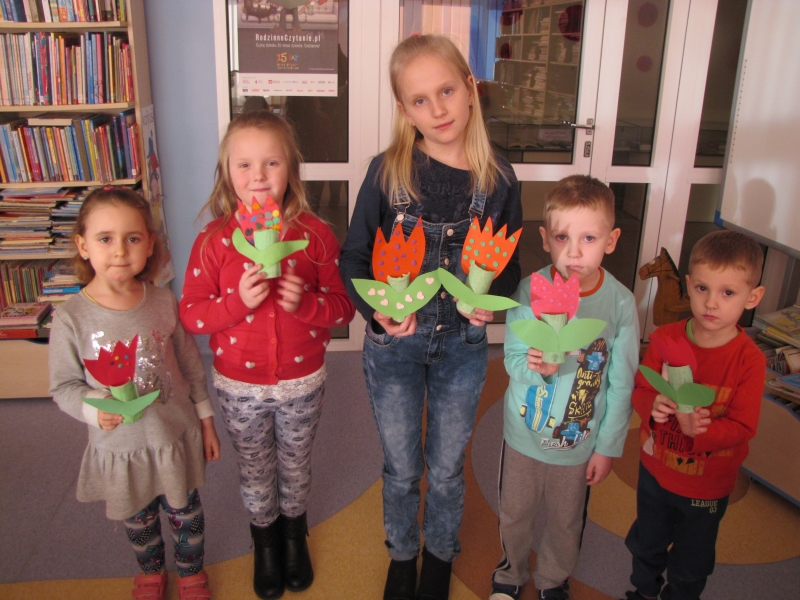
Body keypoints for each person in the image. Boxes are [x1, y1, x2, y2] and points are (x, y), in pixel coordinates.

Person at [339, 34, 522, 600]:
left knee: (446, 468)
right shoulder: (387, 172)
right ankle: (403, 555)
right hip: (395, 350)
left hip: (462, 350)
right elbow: (354, 258)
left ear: (470, 88)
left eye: (446, 91)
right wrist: (375, 313)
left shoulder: (498, 178)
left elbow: (509, 268)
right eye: (420, 100)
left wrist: (487, 303)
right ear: (404, 110)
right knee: (402, 467)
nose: (437, 109)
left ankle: (440, 555)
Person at [180, 110, 354, 600]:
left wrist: (309, 303)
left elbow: (345, 308)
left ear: (291, 169)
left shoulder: (314, 235)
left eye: (271, 163)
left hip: (302, 382)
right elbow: (192, 315)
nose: (258, 176)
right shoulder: (214, 242)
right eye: (244, 165)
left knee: (295, 465)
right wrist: (236, 302)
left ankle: (294, 536)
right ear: (227, 172)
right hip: (239, 387)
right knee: (255, 470)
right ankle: (265, 543)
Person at [49, 187, 220, 600]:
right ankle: (151, 572)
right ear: (83, 246)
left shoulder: (162, 301)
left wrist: (206, 420)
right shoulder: (71, 317)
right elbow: (64, 386)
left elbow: (191, 365)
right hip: (122, 447)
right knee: (139, 520)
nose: (120, 251)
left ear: (150, 244)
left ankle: (191, 573)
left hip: (172, 436)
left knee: (186, 514)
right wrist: (94, 411)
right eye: (105, 238)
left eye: (132, 238)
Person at [490, 175, 640, 600]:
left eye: (589, 238)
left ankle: (553, 578)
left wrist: (608, 446)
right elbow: (512, 359)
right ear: (545, 238)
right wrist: (538, 368)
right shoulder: (529, 291)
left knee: (566, 520)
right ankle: (511, 572)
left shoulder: (620, 303)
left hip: (578, 442)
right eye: (562, 237)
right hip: (524, 436)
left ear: (611, 241)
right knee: (514, 513)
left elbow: (622, 382)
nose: (574, 252)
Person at [621, 230, 766, 600]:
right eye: (702, 288)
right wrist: (652, 405)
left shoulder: (749, 360)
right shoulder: (666, 337)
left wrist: (701, 430)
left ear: (752, 297)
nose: (711, 303)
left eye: (728, 293)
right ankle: (643, 591)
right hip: (655, 473)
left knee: (691, 563)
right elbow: (641, 389)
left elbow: (743, 427)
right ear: (688, 285)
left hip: (707, 487)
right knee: (646, 544)